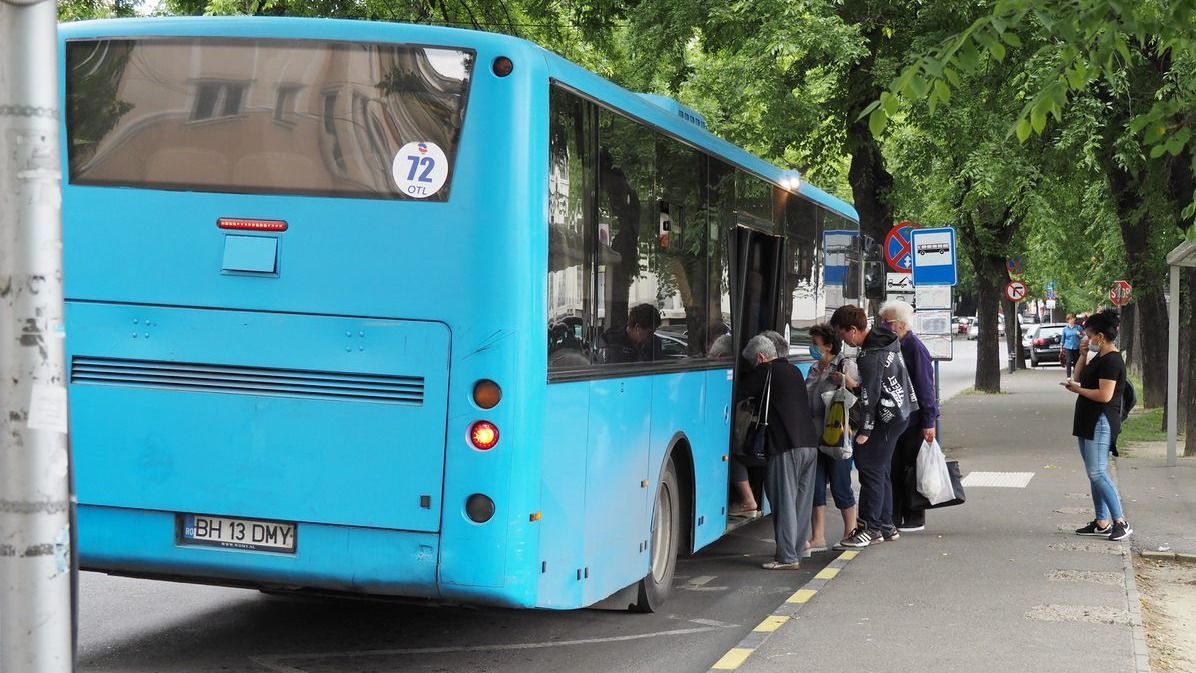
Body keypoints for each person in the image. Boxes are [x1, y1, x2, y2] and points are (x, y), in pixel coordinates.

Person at [830, 305, 918, 549]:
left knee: (870, 468)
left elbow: (870, 397)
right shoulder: (886, 342)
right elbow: (878, 386)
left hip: (884, 418)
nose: (843, 340)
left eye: (843, 334)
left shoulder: (870, 355)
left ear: (853, 329)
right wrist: (855, 386)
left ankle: (870, 528)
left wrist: (866, 431)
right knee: (881, 469)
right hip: (899, 413)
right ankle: (886, 524)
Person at [735, 333, 820, 569]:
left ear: (761, 357)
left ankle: (786, 557)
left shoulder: (766, 371)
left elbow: (737, 393)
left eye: (754, 362)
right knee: (801, 502)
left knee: (784, 502)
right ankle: (798, 549)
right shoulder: (794, 371)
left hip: (785, 445)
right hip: (809, 444)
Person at [1063, 309, 1132, 541]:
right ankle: (1102, 521)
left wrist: (1077, 390)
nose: (1086, 338)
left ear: (1101, 337)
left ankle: (1121, 522)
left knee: (1098, 472)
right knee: (1093, 474)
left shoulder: (1112, 360)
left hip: (1100, 421)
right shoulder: (1098, 357)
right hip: (1087, 419)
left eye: (1090, 335)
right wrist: (1083, 355)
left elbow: (1104, 395)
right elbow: (1078, 377)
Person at [878, 300, 940, 533]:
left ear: (901, 324)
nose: (883, 325)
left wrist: (929, 421)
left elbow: (926, 388)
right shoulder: (896, 345)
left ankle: (914, 516)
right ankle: (894, 516)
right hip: (900, 419)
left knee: (912, 469)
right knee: (895, 468)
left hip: (914, 421)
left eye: (887, 322)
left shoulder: (914, 348)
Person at [804, 324, 859, 552]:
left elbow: (859, 394)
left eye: (815, 343)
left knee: (840, 484)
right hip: (814, 435)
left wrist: (846, 381)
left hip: (838, 435)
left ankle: (850, 532)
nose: (812, 347)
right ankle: (818, 537)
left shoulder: (846, 365)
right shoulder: (813, 368)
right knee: (815, 487)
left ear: (828, 346)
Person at [1061, 314, 1084, 378]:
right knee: (1068, 361)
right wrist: (1061, 347)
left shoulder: (1078, 327)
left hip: (1076, 347)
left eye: (1072, 319)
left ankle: (1075, 375)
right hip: (1068, 347)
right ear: (1067, 320)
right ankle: (1068, 376)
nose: (1071, 320)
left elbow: (1083, 336)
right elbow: (1063, 338)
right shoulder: (1065, 329)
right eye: (1070, 319)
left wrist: (1079, 335)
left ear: (1074, 319)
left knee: (1076, 362)